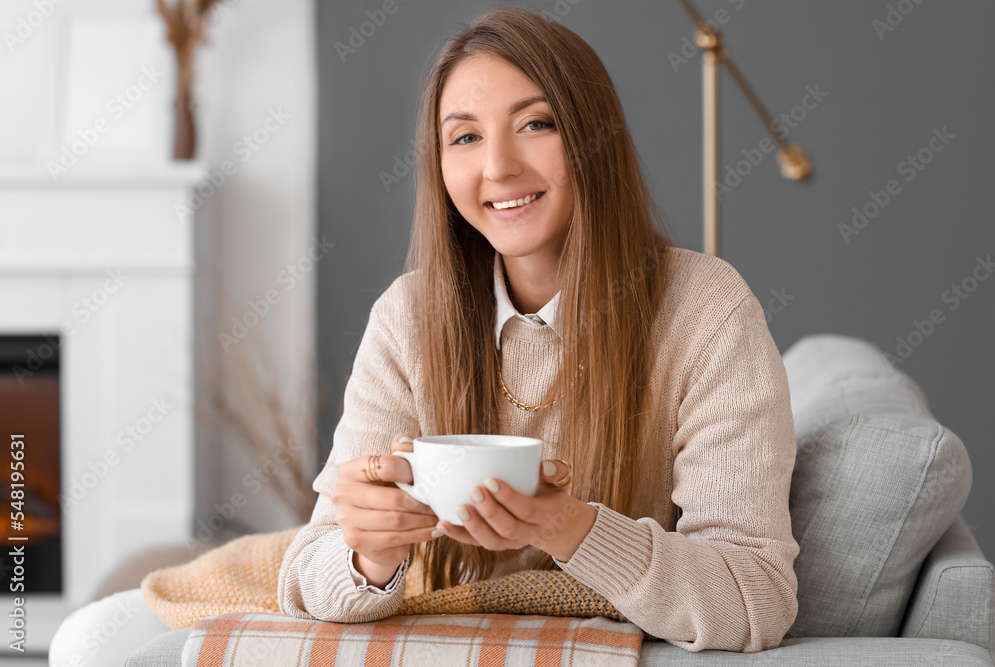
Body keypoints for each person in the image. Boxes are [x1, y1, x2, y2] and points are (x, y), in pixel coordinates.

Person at [277, 4, 800, 654]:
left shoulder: (705, 310)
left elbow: (755, 598)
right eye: (464, 137)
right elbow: (304, 576)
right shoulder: (408, 317)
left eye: (535, 124)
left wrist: (571, 528)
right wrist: (369, 554)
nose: (498, 167)